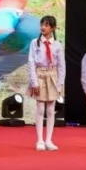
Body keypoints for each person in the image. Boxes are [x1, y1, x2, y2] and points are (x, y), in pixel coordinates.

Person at [28, 15, 64, 151]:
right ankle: (40, 140)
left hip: (52, 76)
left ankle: (49, 140)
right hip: (39, 75)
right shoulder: (35, 43)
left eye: (47, 25)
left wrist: (60, 84)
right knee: (40, 108)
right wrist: (34, 82)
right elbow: (31, 62)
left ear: (53, 28)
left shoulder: (57, 45)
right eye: (42, 24)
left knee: (50, 109)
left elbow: (61, 66)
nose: (43, 27)